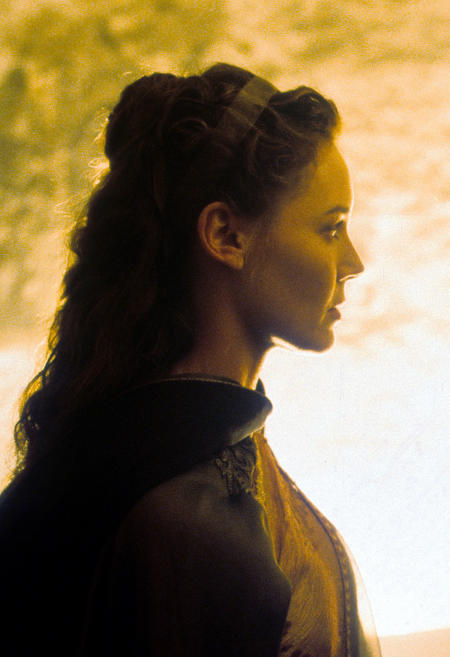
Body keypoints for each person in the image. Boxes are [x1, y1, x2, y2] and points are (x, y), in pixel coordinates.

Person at [0, 63, 380, 657]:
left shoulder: (158, 444)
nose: (353, 261)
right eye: (331, 228)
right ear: (226, 235)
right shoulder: (187, 510)